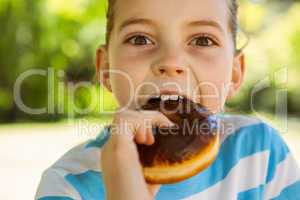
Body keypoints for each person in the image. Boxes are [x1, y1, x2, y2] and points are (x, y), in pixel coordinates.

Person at [35, 0, 300, 199]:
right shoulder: (67, 185)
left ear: (234, 73)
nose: (171, 63)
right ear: (105, 69)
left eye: (203, 40)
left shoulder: (262, 155)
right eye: (140, 38)